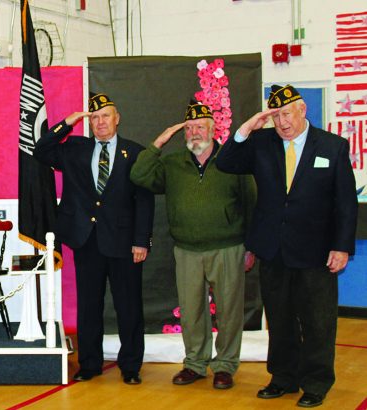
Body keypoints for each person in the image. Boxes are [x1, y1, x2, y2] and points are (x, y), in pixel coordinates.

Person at [216, 85, 357, 408]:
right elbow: (226, 163)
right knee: (279, 319)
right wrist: (246, 129)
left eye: (286, 114)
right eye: (275, 116)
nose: (281, 123)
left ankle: (316, 383)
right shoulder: (263, 143)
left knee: (317, 321)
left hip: (317, 252)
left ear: (302, 110)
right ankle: (283, 377)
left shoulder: (332, 147)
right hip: (274, 249)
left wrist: (341, 247)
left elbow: (345, 203)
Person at [130, 100, 256, 390]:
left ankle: (224, 365)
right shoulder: (173, 164)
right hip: (186, 249)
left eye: (200, 126)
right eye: (188, 128)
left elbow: (252, 204)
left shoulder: (232, 161)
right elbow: (139, 176)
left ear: (213, 129)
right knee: (191, 310)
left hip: (228, 248)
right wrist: (159, 143)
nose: (194, 132)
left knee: (228, 310)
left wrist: (251, 247)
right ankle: (196, 363)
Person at [33, 93, 154, 385]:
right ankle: (89, 364)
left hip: (124, 243)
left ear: (117, 118)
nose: (100, 122)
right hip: (87, 241)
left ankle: (131, 366)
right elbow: (41, 150)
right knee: (89, 305)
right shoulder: (75, 149)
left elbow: (144, 200)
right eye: (95, 117)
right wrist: (67, 123)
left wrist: (141, 240)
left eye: (105, 116)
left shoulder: (135, 153)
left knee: (129, 306)